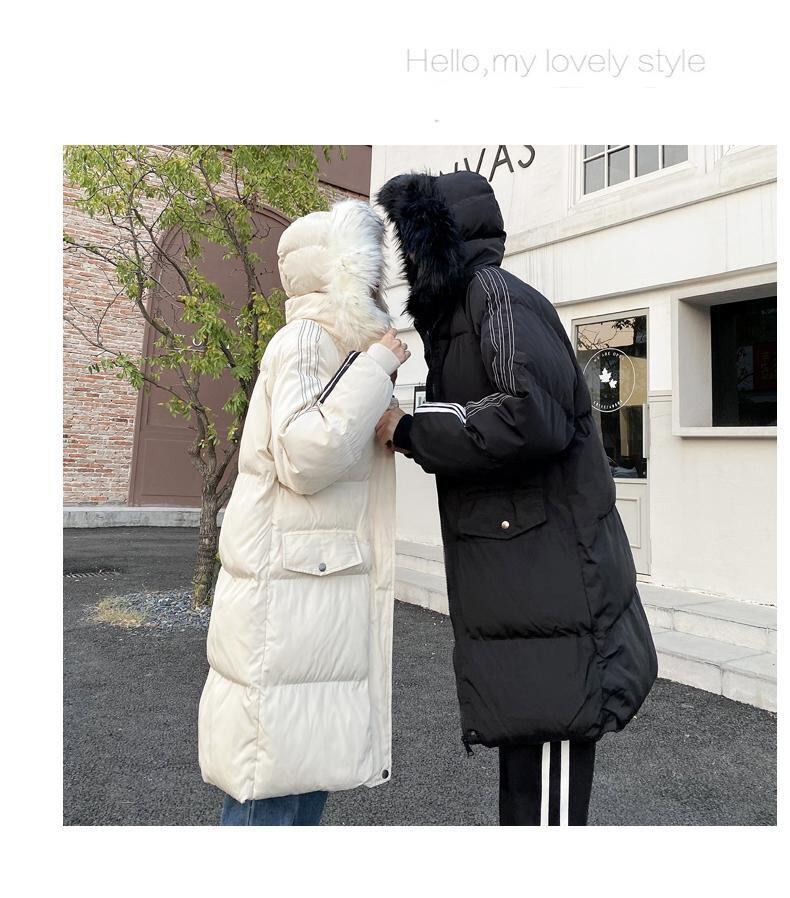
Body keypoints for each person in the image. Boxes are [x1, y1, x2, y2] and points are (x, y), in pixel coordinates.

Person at [375, 170, 657, 826]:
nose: (406, 256)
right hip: (526, 586)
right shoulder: (464, 312)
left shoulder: (495, 295)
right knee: (526, 784)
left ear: (441, 239)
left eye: (414, 239)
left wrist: (411, 428)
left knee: (546, 793)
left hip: (551, 583)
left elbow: (529, 414)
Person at [198, 199, 410, 826]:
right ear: (340, 273)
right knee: (271, 783)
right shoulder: (305, 342)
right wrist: (377, 368)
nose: (377, 285)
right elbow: (305, 453)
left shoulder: (333, 347)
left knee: (301, 771)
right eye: (365, 270)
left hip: (307, 593)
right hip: (288, 600)